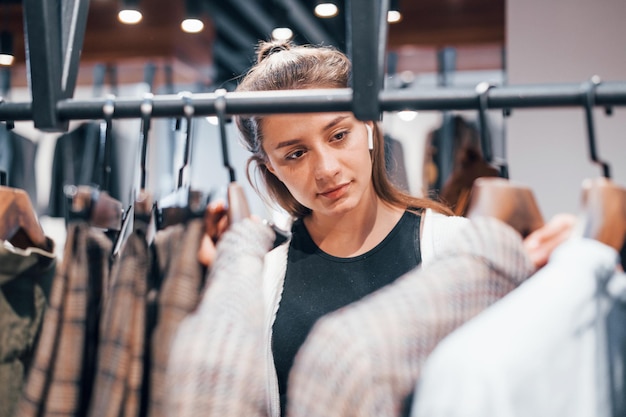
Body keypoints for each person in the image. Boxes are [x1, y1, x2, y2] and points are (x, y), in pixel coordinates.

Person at [196, 40, 575, 417]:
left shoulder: (455, 248)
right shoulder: (262, 280)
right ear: (270, 169)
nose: (326, 168)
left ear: (369, 128)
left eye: (338, 135)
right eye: (295, 154)